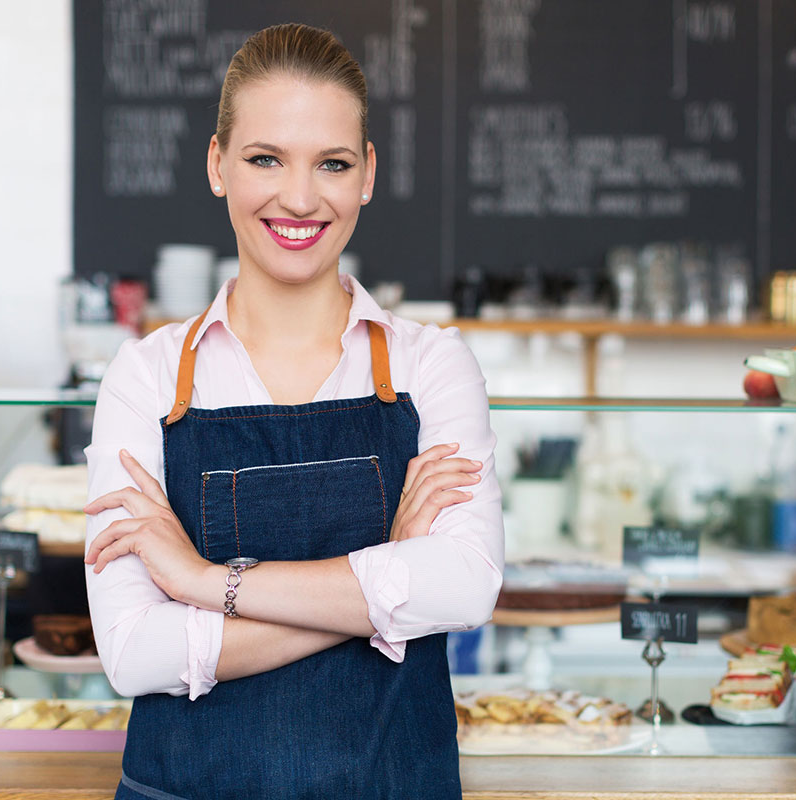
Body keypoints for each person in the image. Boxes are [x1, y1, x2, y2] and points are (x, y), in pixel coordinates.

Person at [82, 23, 504, 800]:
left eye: (333, 164)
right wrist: (386, 584)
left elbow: (465, 586)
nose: (300, 198)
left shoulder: (432, 364)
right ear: (217, 164)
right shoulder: (145, 376)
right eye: (265, 158)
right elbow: (134, 651)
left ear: (368, 173)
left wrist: (204, 582)